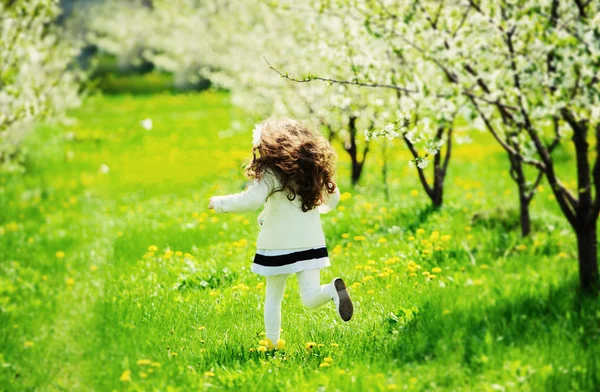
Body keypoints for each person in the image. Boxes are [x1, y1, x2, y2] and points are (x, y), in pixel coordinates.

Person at [208, 118, 353, 348]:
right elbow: (334, 198)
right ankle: (333, 290)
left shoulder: (271, 170)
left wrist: (220, 203)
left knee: (273, 297)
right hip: (310, 242)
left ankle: (273, 344)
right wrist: (318, 209)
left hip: (278, 244)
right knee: (311, 296)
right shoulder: (312, 166)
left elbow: (252, 200)